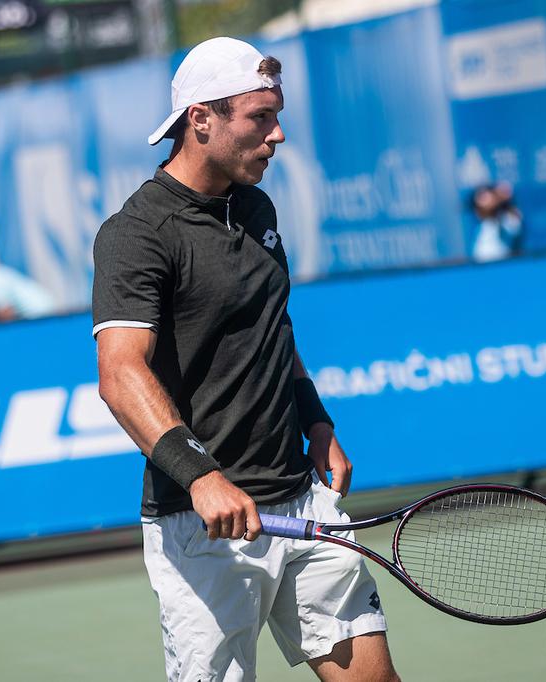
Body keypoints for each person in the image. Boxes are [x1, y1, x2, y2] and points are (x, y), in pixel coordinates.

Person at [91, 37, 399, 682]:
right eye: (260, 117)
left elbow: (271, 326)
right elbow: (121, 375)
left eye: (277, 115)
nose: (278, 135)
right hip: (202, 526)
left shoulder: (256, 207)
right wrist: (201, 477)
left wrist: (316, 423)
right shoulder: (137, 234)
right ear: (201, 119)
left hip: (302, 503)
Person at [470, 182, 523, 262]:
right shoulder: (479, 226)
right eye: (480, 198)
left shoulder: (507, 218)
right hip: (481, 267)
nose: (483, 201)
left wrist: (505, 201)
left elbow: (515, 229)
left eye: (486, 197)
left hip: (503, 265)